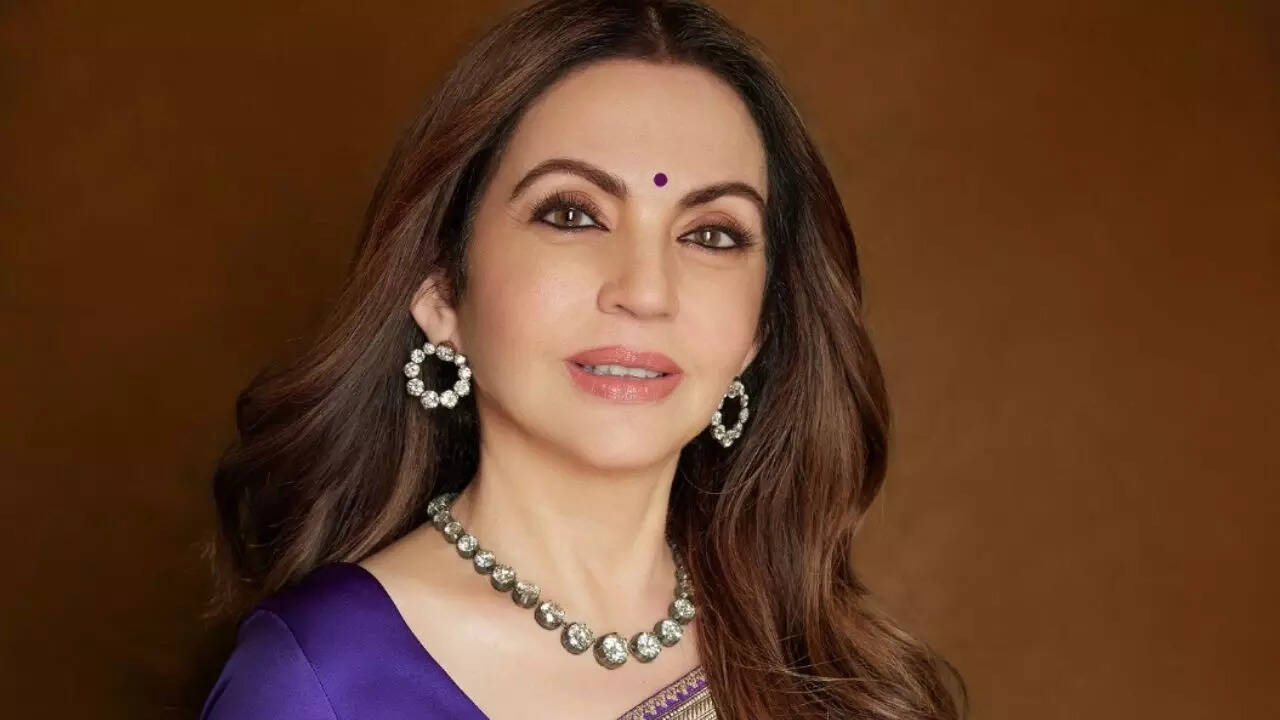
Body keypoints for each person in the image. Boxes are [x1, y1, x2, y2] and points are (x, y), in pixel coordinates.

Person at [198, 0, 967, 718]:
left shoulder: (825, 663)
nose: (646, 290)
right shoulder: (323, 680)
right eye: (572, 214)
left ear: (761, 327)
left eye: (711, 234)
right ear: (441, 289)